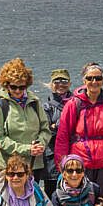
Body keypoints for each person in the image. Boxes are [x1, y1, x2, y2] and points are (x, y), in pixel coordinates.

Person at [54, 63, 103, 199]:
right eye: (90, 78)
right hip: (80, 163)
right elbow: (62, 136)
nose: (94, 82)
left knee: (101, 201)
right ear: (84, 80)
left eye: (98, 78)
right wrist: (62, 164)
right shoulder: (73, 104)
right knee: (81, 200)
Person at [0, 58, 51, 191]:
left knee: (31, 203)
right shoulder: (0, 106)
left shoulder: (35, 102)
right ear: (6, 85)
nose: (17, 91)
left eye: (21, 87)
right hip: (9, 168)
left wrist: (40, 144)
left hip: (34, 165)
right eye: (13, 87)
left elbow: (45, 129)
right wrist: (27, 149)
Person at [42, 68, 73, 198]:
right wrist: (63, 125)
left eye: (64, 81)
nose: (61, 84)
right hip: (52, 157)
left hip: (73, 154)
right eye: (57, 81)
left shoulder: (76, 103)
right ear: (51, 84)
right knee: (52, 194)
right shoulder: (46, 106)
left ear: (70, 83)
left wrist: (57, 125)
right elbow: (48, 130)